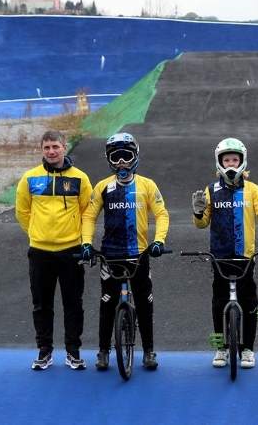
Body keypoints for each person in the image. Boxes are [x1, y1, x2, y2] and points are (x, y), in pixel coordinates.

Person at [191, 138, 258, 369]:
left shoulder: (253, 190)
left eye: (234, 159)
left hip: (245, 257)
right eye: (226, 160)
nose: (231, 164)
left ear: (242, 161)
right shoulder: (210, 190)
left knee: (249, 301)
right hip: (219, 256)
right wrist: (198, 213)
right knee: (219, 302)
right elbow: (202, 225)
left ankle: (248, 349)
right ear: (219, 162)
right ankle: (220, 348)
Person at [81, 132, 169, 371]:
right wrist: (86, 244)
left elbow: (161, 214)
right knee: (107, 303)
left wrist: (158, 241)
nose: (121, 162)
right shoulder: (102, 187)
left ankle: (149, 351)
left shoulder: (147, 185)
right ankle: (102, 351)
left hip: (139, 256)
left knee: (144, 303)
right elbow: (89, 216)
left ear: (135, 156)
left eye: (126, 156)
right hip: (110, 256)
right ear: (109, 159)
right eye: (116, 157)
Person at [16, 130, 93, 370]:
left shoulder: (80, 178)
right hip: (40, 252)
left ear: (64, 147)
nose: (51, 151)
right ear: (42, 150)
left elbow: (87, 212)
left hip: (71, 252)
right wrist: (38, 234)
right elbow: (22, 212)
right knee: (41, 305)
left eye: (55, 147)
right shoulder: (30, 178)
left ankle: (73, 352)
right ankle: (44, 351)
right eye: (47, 147)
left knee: (73, 304)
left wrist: (80, 239)